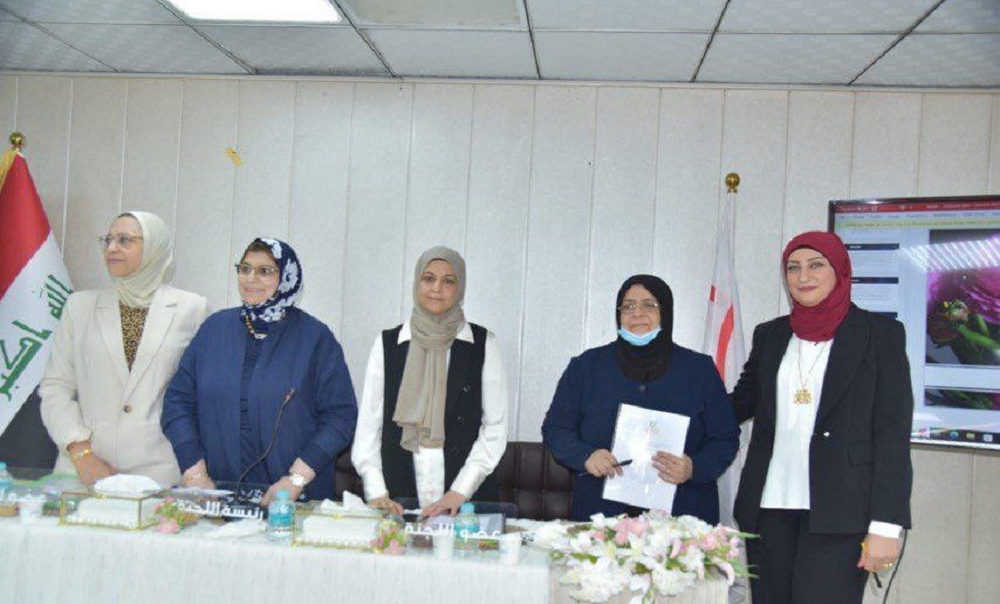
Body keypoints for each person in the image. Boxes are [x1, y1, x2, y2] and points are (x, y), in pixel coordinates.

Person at [731, 231, 913, 604]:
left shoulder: (879, 335)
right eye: (793, 267)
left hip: (840, 513)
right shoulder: (771, 335)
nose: (803, 276)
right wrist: (679, 408)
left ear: (840, 272)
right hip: (769, 511)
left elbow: (891, 432)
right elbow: (738, 405)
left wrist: (888, 525)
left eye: (816, 265)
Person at [162, 238, 357, 504]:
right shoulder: (213, 330)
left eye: (265, 271)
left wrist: (297, 479)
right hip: (216, 495)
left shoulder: (315, 338)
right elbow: (177, 403)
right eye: (245, 268)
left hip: (293, 498)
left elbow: (340, 417)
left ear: (287, 277)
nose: (251, 278)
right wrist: (195, 476)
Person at [542, 275, 739, 523]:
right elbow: (556, 429)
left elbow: (725, 438)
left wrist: (693, 467)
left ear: (665, 312)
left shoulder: (698, 370)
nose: (637, 313)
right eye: (629, 306)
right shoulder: (587, 367)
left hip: (682, 516)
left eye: (649, 305)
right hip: (602, 514)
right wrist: (585, 456)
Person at [40, 211, 209, 487]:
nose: (112, 248)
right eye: (108, 239)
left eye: (125, 240)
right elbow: (55, 386)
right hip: (83, 470)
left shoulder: (192, 309)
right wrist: (82, 454)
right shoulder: (79, 306)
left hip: (160, 472)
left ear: (154, 247)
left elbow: (196, 397)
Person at [351, 246, 508, 517]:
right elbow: (369, 423)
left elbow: (495, 427)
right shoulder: (388, 344)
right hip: (397, 498)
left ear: (461, 288)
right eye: (428, 278)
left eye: (449, 280)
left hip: (464, 501)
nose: (437, 288)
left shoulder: (483, 345)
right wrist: (376, 492)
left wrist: (460, 490)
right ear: (416, 283)